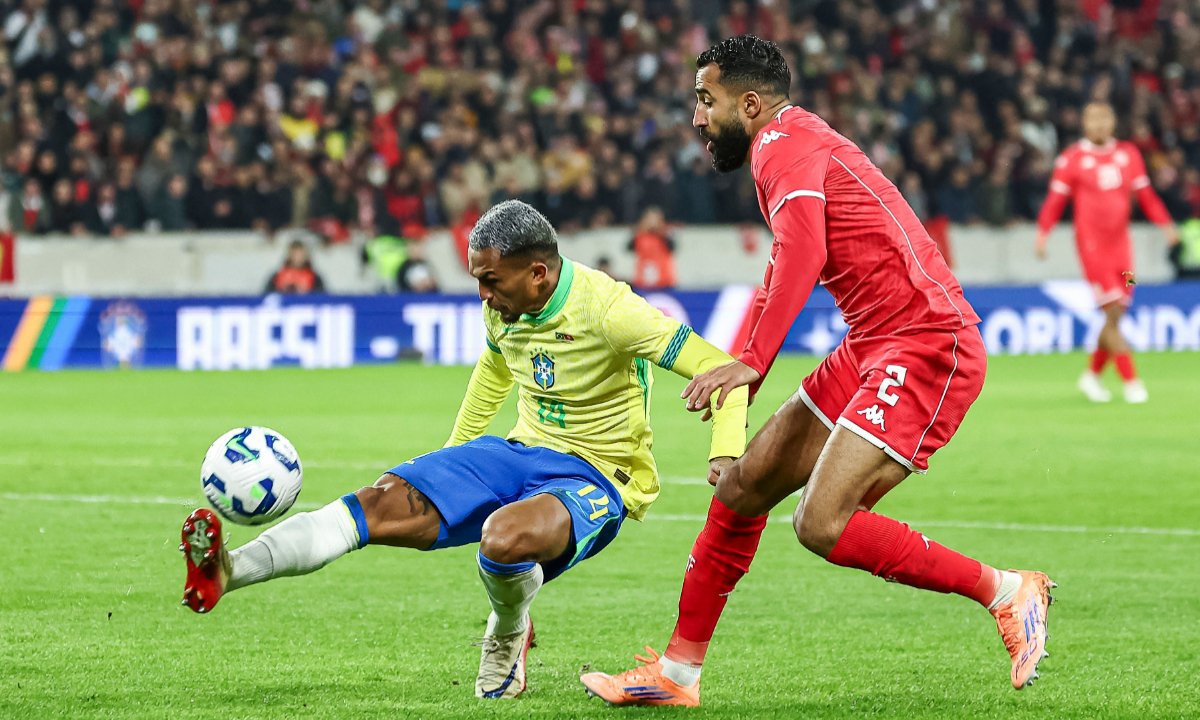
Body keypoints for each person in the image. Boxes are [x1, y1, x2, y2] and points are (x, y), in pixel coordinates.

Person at [581, 36, 1054, 707]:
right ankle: (676, 676)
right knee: (743, 487)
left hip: (925, 343)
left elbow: (805, 250)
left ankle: (1008, 591)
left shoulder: (782, 145)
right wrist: (739, 398)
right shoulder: (785, 147)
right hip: (872, 344)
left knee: (821, 523)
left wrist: (751, 362)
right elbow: (778, 275)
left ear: (749, 103)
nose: (696, 118)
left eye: (705, 100)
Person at [179, 200, 749, 700]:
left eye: (492, 281)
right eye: (478, 279)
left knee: (504, 539)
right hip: (522, 449)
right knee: (374, 503)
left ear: (537, 273)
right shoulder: (504, 304)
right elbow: (494, 369)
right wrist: (451, 458)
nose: (482, 293)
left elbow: (723, 367)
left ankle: (508, 631)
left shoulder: (610, 311)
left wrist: (725, 452)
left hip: (599, 475)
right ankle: (232, 570)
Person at [1035, 102, 1179, 404]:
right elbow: (1054, 201)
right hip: (1092, 248)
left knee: (1118, 313)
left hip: (1122, 250)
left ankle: (1091, 376)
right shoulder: (1072, 159)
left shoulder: (1129, 154)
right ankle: (1132, 382)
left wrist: (1166, 225)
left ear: (1113, 122)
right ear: (1084, 124)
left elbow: (1147, 196)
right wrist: (1043, 233)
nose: (1099, 124)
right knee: (1112, 309)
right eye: (1093, 119)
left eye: (1104, 118)